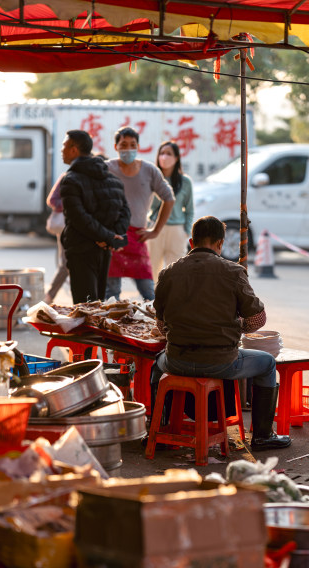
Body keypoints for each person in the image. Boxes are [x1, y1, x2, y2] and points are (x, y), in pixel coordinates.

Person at [152, 215, 292, 451]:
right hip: (222, 363)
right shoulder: (232, 271)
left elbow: (160, 325)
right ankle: (262, 435)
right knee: (268, 363)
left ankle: (159, 430)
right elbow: (258, 319)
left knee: (157, 364)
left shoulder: (169, 273)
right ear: (220, 243)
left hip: (177, 361)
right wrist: (237, 327)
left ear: (190, 241)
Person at [60, 129, 130, 304]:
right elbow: (125, 213)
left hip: (80, 250)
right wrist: (110, 238)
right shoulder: (114, 181)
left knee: (85, 307)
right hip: (104, 251)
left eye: (64, 146)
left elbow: (78, 218)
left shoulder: (71, 180)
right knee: (97, 304)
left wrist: (106, 237)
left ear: (74, 150)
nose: (62, 150)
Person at [105, 126, 174, 301]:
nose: (128, 149)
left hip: (138, 237)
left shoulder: (149, 170)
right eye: (123, 145)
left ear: (138, 147)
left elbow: (169, 198)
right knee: (111, 295)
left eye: (132, 145)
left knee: (149, 293)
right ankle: (111, 327)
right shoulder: (106, 169)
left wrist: (156, 231)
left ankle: (157, 326)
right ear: (116, 147)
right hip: (113, 238)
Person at [148, 141, 194, 281]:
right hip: (155, 229)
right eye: (161, 153)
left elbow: (189, 209)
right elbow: (148, 206)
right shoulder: (152, 179)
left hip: (177, 230)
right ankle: (152, 300)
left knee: (177, 270)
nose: (164, 157)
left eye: (168, 154)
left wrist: (186, 230)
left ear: (176, 158)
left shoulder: (185, 182)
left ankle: (173, 300)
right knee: (152, 269)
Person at [44, 172, 69, 305]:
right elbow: (52, 200)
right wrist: (71, 204)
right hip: (65, 227)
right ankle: (49, 296)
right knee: (66, 264)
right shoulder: (67, 177)